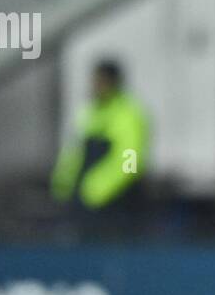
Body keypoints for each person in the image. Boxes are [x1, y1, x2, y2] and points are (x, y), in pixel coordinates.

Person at [50, 59, 149, 240]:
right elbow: (74, 153)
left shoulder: (129, 114)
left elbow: (130, 162)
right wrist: (62, 186)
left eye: (100, 80)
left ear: (113, 83)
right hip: (83, 202)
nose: (95, 85)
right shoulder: (89, 113)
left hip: (116, 205)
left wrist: (96, 188)